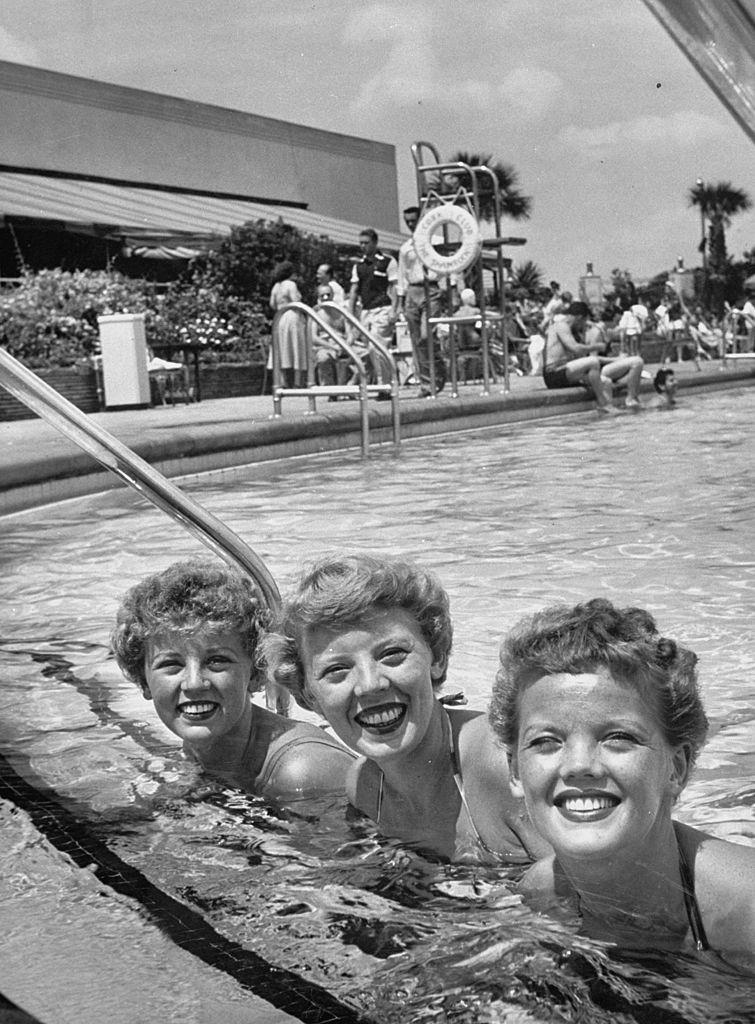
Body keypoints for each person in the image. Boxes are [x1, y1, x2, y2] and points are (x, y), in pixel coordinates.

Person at [489, 598, 755, 956]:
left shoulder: (746, 910)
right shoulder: (539, 895)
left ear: (677, 768)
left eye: (619, 738)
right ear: (514, 771)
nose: (579, 765)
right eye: (546, 741)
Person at [261, 555, 550, 864]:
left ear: (437, 658)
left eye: (393, 654)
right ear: (309, 697)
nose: (370, 685)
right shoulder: (366, 789)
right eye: (337, 671)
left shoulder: (502, 765)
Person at [111, 559, 354, 802]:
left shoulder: (302, 770)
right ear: (143, 682)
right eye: (171, 665)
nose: (194, 683)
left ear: (256, 672)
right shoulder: (201, 747)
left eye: (217, 661)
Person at [543, 301, 644, 414]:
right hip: (553, 373)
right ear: (580, 317)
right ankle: (603, 404)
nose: (584, 325)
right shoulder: (561, 326)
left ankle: (608, 415)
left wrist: (615, 360)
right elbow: (575, 348)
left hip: (566, 372)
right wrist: (596, 346)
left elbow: (580, 358)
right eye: (584, 321)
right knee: (593, 362)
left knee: (605, 381)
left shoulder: (573, 332)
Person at [396, 205, 448, 396]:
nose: (410, 225)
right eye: (407, 221)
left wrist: (450, 288)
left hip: (431, 288)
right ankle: (427, 383)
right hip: (413, 291)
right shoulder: (405, 248)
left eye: (413, 221)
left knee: (427, 336)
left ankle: (439, 368)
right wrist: (401, 301)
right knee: (417, 340)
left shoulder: (437, 241)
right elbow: (402, 274)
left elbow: (449, 264)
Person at [349, 228, 398, 393]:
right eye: (361, 243)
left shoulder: (387, 261)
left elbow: (394, 287)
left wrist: (394, 310)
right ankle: (383, 382)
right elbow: (354, 290)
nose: (363, 246)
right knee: (369, 348)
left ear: (375, 243)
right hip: (366, 310)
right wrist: (350, 313)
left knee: (377, 347)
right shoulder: (359, 266)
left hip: (383, 307)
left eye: (366, 243)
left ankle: (384, 386)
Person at [269, 261, 307, 389]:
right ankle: (297, 381)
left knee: (282, 348)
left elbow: (272, 304)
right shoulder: (291, 284)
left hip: (279, 317)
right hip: (292, 315)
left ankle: (283, 381)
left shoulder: (276, 286)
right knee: (297, 347)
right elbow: (296, 301)